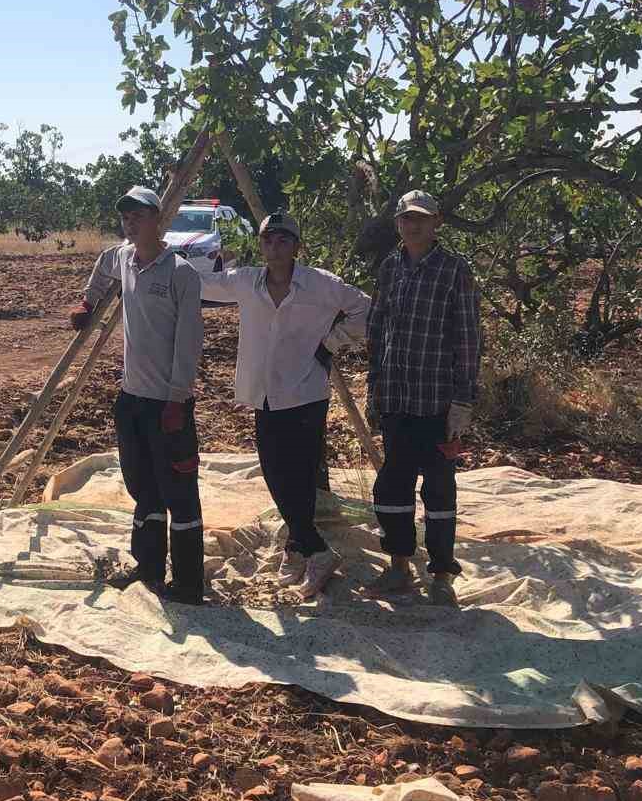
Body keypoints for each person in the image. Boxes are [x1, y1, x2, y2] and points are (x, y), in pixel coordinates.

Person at [206, 211, 369, 598]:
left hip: (305, 394)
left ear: (296, 246)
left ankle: (312, 550)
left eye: (283, 241)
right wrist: (158, 254)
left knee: (297, 476)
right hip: (264, 395)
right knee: (274, 473)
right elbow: (202, 284)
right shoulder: (246, 281)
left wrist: (331, 342)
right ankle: (300, 546)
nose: (274, 248)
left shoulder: (319, 284)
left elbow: (366, 309)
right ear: (260, 245)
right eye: (268, 240)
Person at [71, 185, 206, 604]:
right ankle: (147, 567)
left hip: (168, 402)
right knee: (143, 488)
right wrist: (87, 301)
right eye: (126, 217)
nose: (131, 223)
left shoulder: (180, 273)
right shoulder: (123, 258)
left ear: (158, 220)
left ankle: (187, 582)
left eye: (139, 216)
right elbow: (100, 267)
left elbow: (190, 342)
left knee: (179, 494)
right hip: (131, 399)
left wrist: (176, 398)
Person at [364, 190, 480, 605]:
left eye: (422, 219)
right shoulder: (390, 268)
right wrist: (373, 389)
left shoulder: (454, 271)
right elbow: (377, 330)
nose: (414, 226)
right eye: (406, 219)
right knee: (393, 485)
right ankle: (398, 565)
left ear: (436, 224)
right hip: (396, 398)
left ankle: (443, 573)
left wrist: (463, 401)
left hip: (436, 402)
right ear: (397, 224)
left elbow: (468, 340)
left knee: (438, 490)